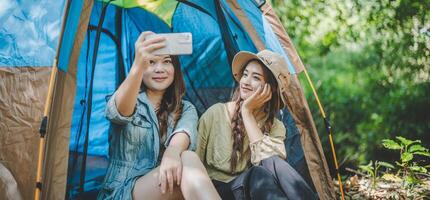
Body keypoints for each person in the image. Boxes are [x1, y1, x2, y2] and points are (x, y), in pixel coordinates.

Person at [98, 32, 220, 200]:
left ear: (175, 69)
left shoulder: (185, 108)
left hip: (164, 185)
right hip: (123, 191)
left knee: (187, 157)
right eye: (151, 62)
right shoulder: (128, 98)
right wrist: (138, 64)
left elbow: (184, 132)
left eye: (167, 61)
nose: (159, 69)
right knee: (186, 161)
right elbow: (118, 113)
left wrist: (172, 151)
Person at [196, 50, 317, 200]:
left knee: (267, 165)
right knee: (258, 173)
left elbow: (269, 165)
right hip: (215, 193)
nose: (246, 81)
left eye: (256, 78)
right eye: (245, 74)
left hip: (252, 190)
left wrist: (247, 113)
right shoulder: (215, 114)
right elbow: (193, 162)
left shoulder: (276, 126)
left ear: (270, 89)